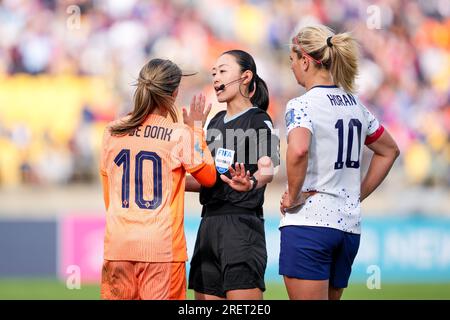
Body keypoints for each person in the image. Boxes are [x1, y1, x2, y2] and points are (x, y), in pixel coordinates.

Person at [279, 25, 400, 300]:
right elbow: (389, 151)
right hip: (347, 228)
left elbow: (298, 150)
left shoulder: (302, 104)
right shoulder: (355, 105)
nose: (291, 68)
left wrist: (293, 197)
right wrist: (356, 195)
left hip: (309, 224)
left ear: (306, 61)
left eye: (292, 60)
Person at [99, 58, 216, 300]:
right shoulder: (178, 134)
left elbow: (110, 198)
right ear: (173, 94)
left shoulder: (112, 131)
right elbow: (209, 177)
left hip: (118, 245)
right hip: (161, 249)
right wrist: (196, 128)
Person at [185, 50, 280, 300]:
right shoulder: (214, 122)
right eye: (213, 72)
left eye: (223, 71)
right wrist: (168, 182)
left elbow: (268, 169)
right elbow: (206, 178)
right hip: (208, 225)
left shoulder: (259, 119)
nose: (216, 77)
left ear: (246, 76)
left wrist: (251, 182)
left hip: (241, 226)